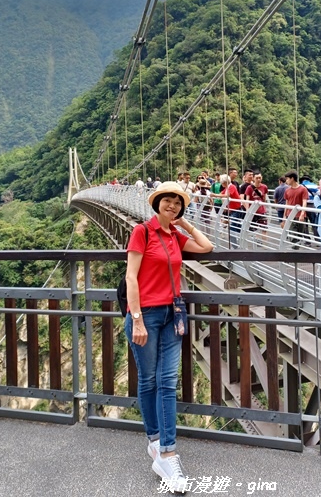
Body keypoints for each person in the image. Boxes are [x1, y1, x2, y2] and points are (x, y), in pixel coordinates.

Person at [125, 182, 213, 491]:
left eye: (178, 202)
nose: (172, 205)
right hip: (146, 315)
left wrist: (185, 224)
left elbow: (206, 247)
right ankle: (156, 442)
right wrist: (136, 319)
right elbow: (130, 276)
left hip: (172, 315)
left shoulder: (175, 235)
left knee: (168, 381)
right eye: (168, 200)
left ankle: (167, 452)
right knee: (148, 380)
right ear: (157, 202)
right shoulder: (142, 232)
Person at [281, 170, 308, 247]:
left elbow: (304, 202)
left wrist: (302, 214)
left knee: (299, 236)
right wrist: (284, 216)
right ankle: (294, 253)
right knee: (293, 236)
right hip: (291, 216)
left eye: (287, 179)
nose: (286, 181)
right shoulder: (287, 190)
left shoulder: (303, 189)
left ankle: (296, 254)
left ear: (292, 178)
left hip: (300, 216)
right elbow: (287, 203)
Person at [220, 173, 242, 246]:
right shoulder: (227, 188)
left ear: (224, 182)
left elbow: (227, 195)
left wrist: (214, 195)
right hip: (232, 210)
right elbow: (221, 194)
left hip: (236, 210)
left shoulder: (232, 187)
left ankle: (235, 246)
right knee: (236, 226)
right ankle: (237, 244)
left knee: (233, 227)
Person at [245, 172, 268, 240]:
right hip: (253, 211)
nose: (258, 179)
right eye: (257, 178)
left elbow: (264, 199)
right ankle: (256, 242)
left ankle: (265, 246)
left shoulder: (264, 187)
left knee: (264, 229)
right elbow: (247, 200)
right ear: (254, 178)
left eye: (260, 178)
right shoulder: (249, 187)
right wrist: (247, 210)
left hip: (262, 211)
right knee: (254, 229)